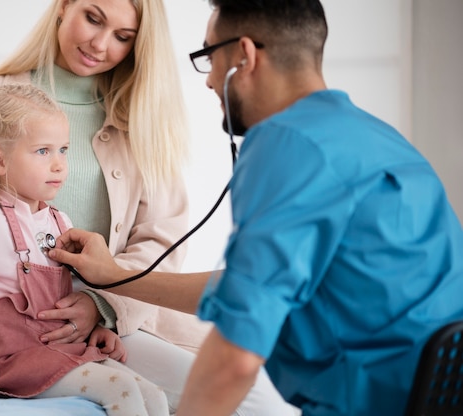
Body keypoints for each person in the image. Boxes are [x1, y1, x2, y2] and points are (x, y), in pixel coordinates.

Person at [46, 0, 463, 415]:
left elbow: (235, 357)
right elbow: (244, 288)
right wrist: (117, 278)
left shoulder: (287, 144)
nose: (208, 80)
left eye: (209, 56)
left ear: (242, 56)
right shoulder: (375, 138)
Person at [0, 0, 298, 414]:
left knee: (256, 402)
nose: (100, 43)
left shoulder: (144, 115)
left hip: (120, 308)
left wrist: (103, 306)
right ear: (63, 6)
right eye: (92, 19)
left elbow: (161, 239)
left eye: (123, 37)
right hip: (19, 317)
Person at [0, 79, 170, 415]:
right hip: (9, 363)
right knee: (122, 390)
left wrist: (99, 331)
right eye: (43, 151)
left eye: (63, 149)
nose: (59, 164)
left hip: (56, 353)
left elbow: (65, 300)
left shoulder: (60, 221)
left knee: (154, 395)